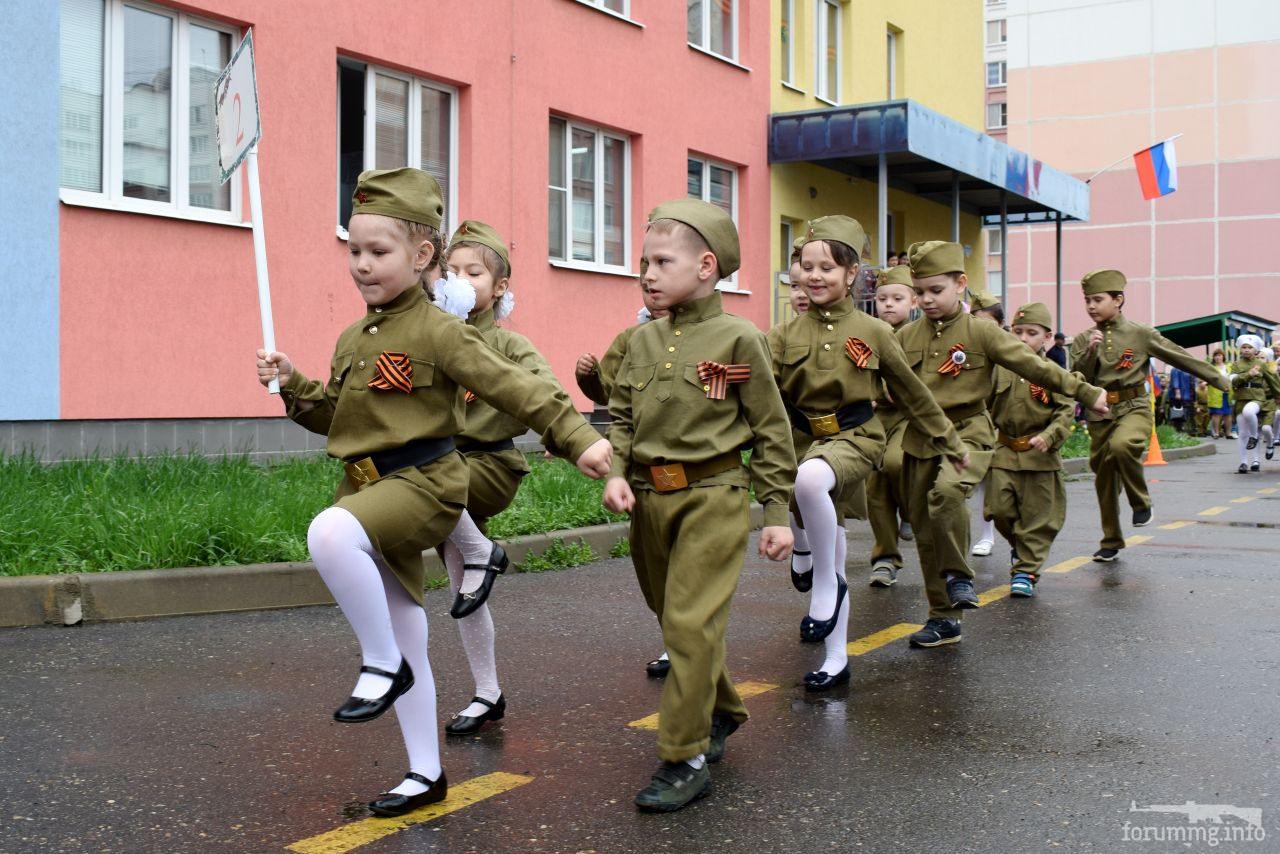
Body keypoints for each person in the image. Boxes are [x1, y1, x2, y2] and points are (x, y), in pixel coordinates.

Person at [256, 168, 612, 816]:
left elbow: (515, 386)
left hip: (425, 483)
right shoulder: (353, 337)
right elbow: (331, 414)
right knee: (406, 624)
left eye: (379, 251)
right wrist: (289, 384)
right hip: (370, 484)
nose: (362, 264)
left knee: (329, 532)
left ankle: (380, 662)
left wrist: (578, 434)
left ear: (422, 257)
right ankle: (426, 773)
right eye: (354, 250)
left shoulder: (440, 330)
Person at [603, 199, 797, 812]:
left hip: (715, 496)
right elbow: (624, 418)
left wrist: (777, 514)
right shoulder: (639, 340)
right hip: (652, 504)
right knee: (678, 619)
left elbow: (771, 429)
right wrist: (616, 471)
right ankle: (724, 708)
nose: (647, 274)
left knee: (688, 625)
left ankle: (681, 758)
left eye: (662, 261)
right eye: (643, 262)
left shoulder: (739, 337)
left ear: (707, 267)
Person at [774, 218, 968, 681]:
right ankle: (835, 659)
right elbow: (762, 394)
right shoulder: (781, 336)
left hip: (855, 438)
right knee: (832, 546)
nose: (815, 275)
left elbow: (914, 391)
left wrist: (950, 440)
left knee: (811, 482)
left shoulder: (874, 331)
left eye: (827, 267)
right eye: (807, 266)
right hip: (800, 440)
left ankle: (815, 571)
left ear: (851, 273)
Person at [897, 241, 1108, 648]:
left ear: (960, 284)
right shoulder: (906, 336)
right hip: (921, 437)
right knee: (925, 531)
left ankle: (959, 575)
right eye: (919, 291)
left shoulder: (982, 332)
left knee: (945, 495)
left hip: (969, 433)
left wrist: (1084, 392)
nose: (925, 300)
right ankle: (944, 619)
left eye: (935, 291)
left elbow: (1035, 366)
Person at [433, 220, 567, 736]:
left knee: (422, 485)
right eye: (452, 271)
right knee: (461, 587)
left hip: (487, 466)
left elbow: (547, 394)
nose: (461, 280)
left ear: (500, 287)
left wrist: (564, 437)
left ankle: (481, 553)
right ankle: (488, 693)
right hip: (444, 476)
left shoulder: (510, 347)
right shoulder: (436, 334)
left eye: (474, 272)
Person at [1068, 269, 1230, 561]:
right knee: (1104, 481)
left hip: (1135, 407)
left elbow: (1177, 355)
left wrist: (1222, 382)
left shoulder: (1140, 334)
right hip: (1101, 412)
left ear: (1118, 300)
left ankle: (1140, 502)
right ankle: (1111, 540)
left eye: (1098, 299)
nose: (1091, 306)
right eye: (1087, 301)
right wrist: (1089, 352)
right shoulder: (1082, 339)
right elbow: (1079, 378)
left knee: (1122, 447)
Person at [576, 287, 672, 679]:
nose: (654, 281)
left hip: (700, 475)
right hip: (644, 473)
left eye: (665, 266)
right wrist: (589, 376)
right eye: (647, 271)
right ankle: (674, 638)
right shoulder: (631, 339)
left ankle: (687, 650)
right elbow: (609, 395)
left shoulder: (718, 335)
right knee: (652, 565)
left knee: (690, 567)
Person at [983, 303, 1076, 598]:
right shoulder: (999, 369)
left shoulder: (1052, 372)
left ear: (1046, 337)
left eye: (1032, 333)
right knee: (998, 510)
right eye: (1018, 331)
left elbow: (1066, 409)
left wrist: (1050, 436)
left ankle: (1026, 570)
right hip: (1005, 452)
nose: (1023, 338)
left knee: (1039, 517)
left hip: (1040, 456)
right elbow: (983, 406)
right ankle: (1022, 551)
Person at [866, 264, 919, 587]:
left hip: (910, 416)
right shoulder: (867, 331)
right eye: (882, 297)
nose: (888, 304)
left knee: (896, 463)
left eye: (897, 298)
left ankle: (911, 512)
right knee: (875, 486)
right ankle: (885, 558)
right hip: (873, 419)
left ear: (913, 302)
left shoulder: (920, 335)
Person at [1228, 334, 1280, 473]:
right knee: (1243, 432)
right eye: (1243, 347)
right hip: (1240, 398)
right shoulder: (1236, 364)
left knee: (1249, 413)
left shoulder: (1261, 364)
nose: (1246, 350)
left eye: (1249, 347)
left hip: (1257, 398)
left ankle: (1255, 440)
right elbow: (1233, 381)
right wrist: (1248, 374)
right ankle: (1244, 462)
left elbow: (1273, 381)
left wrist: (1278, 396)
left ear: (1255, 350)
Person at [1207, 348, 1232, 439]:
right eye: (1215, 356)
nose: (1217, 357)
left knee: (1228, 414)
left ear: (1223, 357)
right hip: (1216, 393)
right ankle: (1216, 433)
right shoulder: (1211, 368)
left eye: (1219, 355)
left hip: (1228, 392)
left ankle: (1228, 433)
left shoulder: (1229, 366)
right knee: (1216, 414)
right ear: (1213, 358)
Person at [1165, 365, 1194, 432]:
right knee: (1177, 414)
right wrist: (1177, 393)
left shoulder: (1188, 369)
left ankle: (1183, 430)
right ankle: (1177, 430)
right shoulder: (1176, 369)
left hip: (1187, 395)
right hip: (1179, 396)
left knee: (1185, 414)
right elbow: (1175, 381)